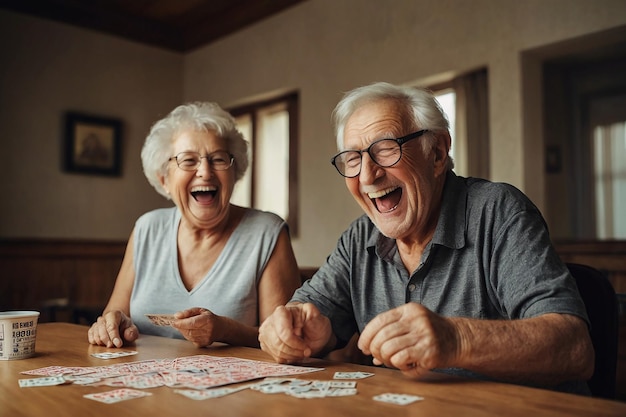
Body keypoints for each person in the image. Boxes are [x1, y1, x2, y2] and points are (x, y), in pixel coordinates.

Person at [258, 82, 594, 394]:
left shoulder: (500, 212)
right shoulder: (359, 237)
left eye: (386, 149)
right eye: (353, 159)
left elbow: (575, 349)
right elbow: (306, 314)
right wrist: (289, 329)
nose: (367, 175)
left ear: (436, 153)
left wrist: (456, 339)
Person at [88, 102, 301, 349]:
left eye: (218, 159)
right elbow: (114, 313)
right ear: (164, 179)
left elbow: (286, 340)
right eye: (188, 160)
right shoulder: (147, 228)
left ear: (235, 173)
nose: (205, 172)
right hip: (146, 383)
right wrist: (111, 324)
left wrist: (226, 330)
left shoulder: (266, 233)